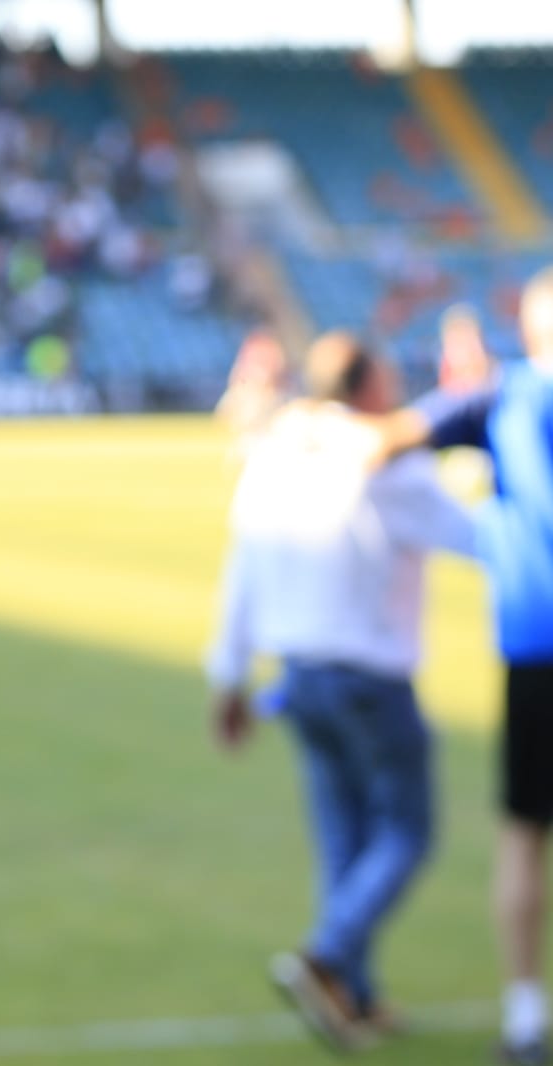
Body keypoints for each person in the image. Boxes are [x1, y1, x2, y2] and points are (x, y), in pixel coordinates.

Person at [206, 332, 477, 1051]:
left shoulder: (272, 451)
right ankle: (328, 955)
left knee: (344, 840)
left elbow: (242, 570)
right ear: (364, 390)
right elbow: (472, 534)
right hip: (368, 673)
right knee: (405, 832)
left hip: (297, 674)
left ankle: (350, 994)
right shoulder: (383, 461)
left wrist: (228, 678)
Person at [379, 270, 553, 1066]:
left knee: (524, 835)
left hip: (537, 646)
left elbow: (388, 438)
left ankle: (524, 1018)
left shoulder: (503, 396)